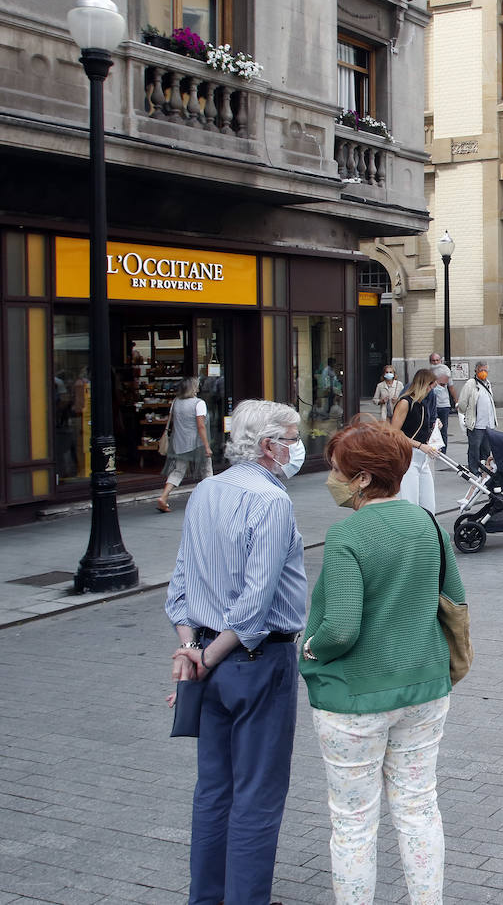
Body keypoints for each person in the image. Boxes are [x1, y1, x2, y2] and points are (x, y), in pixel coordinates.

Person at [302, 418, 461, 903]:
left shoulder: (348, 536)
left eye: (338, 470)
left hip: (355, 697)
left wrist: (312, 647)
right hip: (424, 686)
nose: (332, 479)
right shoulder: (427, 523)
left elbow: (342, 627)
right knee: (418, 808)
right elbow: (453, 599)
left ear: (363, 478)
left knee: (352, 823)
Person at [164, 400, 308, 905]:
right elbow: (254, 604)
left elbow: (181, 583)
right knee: (257, 795)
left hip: (206, 653)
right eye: (292, 437)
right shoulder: (271, 502)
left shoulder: (207, 490)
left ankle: (207, 897)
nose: (297, 446)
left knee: (214, 789)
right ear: (269, 446)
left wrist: (190, 648)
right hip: (254, 660)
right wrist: (206, 654)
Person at [156, 376, 214, 513]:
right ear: (193, 389)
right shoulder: (199, 403)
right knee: (206, 470)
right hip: (196, 443)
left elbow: (173, 421)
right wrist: (207, 446)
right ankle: (210, 499)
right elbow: (201, 426)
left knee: (178, 470)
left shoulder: (175, 402)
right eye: (197, 385)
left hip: (179, 443)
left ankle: (163, 497)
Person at [390, 368, 440, 512]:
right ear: (424, 384)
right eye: (431, 386)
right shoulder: (405, 402)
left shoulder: (421, 404)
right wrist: (419, 445)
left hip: (422, 457)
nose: (431, 391)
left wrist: (435, 428)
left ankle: (429, 530)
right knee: (410, 503)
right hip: (408, 456)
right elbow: (394, 432)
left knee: (429, 504)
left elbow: (422, 430)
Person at [457, 361, 497, 474]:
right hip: (476, 424)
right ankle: (473, 470)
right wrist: (465, 413)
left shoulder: (488, 383)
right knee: (474, 448)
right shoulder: (471, 383)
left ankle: (484, 469)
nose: (483, 373)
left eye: (485, 370)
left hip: (488, 423)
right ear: (476, 371)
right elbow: (462, 402)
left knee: (486, 449)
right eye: (481, 370)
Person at [426, 353, 457, 454]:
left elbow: (451, 387)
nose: (435, 363)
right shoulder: (428, 373)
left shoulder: (445, 371)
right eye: (433, 361)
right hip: (431, 405)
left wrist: (456, 402)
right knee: (431, 427)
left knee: (443, 428)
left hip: (443, 404)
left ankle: (443, 450)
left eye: (437, 360)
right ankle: (432, 447)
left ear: (441, 360)